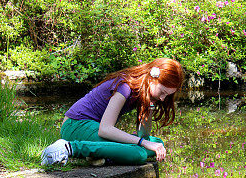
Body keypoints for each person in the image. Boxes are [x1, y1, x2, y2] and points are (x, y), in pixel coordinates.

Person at [41, 58, 185, 167]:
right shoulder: (125, 86)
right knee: (138, 153)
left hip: (95, 129)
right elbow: (105, 129)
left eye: (167, 95)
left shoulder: (145, 92)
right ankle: (67, 148)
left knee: (157, 143)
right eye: (162, 92)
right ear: (152, 78)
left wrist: (149, 106)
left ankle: (99, 154)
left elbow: (144, 136)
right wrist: (142, 142)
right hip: (76, 125)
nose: (162, 98)